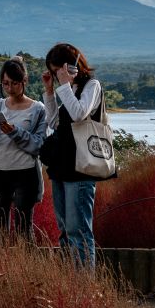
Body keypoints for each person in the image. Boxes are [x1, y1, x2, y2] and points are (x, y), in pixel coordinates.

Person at [41, 43, 105, 268]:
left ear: (72, 66)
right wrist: (50, 92)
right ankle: (70, 281)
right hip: (61, 164)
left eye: (59, 69)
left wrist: (65, 86)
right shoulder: (68, 89)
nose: (57, 75)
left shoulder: (91, 86)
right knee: (65, 230)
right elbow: (54, 122)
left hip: (81, 166)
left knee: (79, 230)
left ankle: (85, 287)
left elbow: (79, 114)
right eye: (53, 71)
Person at [0, 56, 47, 240]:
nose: (9, 88)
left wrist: (14, 132)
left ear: (24, 81)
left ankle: (26, 266)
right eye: (5, 84)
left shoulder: (38, 109)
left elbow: (39, 145)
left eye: (14, 83)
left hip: (26, 174)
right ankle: (0, 266)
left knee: (24, 229)